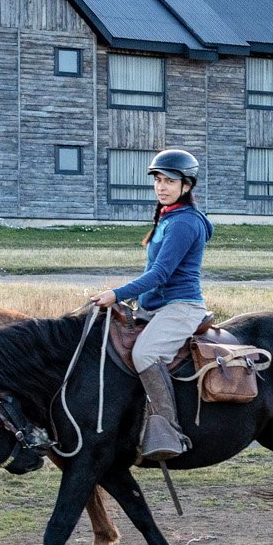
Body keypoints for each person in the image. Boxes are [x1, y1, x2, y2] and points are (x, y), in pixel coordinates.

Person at [86, 148, 212, 462]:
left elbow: (160, 274)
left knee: (145, 353)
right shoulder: (168, 217)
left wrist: (116, 293)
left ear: (187, 185)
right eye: (157, 179)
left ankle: (168, 431)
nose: (161, 186)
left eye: (170, 180)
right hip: (155, 306)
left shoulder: (185, 223)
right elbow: (151, 275)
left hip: (181, 306)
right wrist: (130, 300)